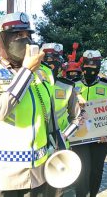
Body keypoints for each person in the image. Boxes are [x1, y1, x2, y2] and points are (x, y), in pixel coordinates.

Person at [0, 12, 76, 196]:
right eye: (17, 36)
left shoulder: (43, 72)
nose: (24, 40)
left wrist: (60, 148)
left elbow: (49, 116)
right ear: (1, 41)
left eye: (27, 35)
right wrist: (26, 71)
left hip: (37, 175)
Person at [72, 50, 107, 197]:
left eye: (94, 65)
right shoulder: (72, 85)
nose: (90, 68)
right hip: (79, 134)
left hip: (101, 137)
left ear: (99, 66)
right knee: (82, 169)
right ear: (82, 65)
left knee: (96, 169)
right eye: (87, 65)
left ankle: (93, 194)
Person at [41, 43, 81, 196]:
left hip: (60, 146)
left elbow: (76, 118)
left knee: (58, 190)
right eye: (49, 59)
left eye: (57, 60)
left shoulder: (68, 87)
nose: (53, 64)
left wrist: (63, 136)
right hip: (35, 146)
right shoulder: (30, 83)